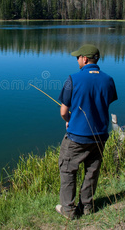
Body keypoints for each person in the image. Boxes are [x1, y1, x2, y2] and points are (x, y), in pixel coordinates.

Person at [55, 44, 118, 220]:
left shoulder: (72, 79)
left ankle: (68, 210)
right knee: (92, 171)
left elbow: (63, 111)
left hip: (76, 136)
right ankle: (87, 207)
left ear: (84, 59)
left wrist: (69, 121)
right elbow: (104, 103)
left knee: (67, 169)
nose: (77, 60)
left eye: (78, 57)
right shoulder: (109, 80)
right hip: (100, 136)